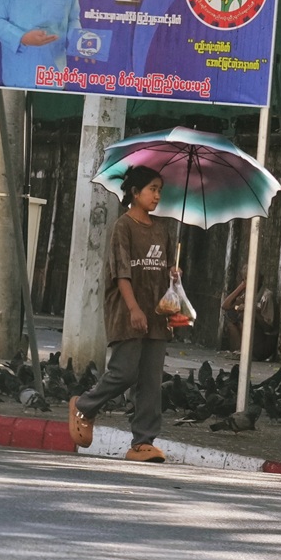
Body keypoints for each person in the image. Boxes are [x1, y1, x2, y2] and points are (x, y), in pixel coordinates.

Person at [67, 166, 177, 463]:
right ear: (135, 192)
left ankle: (142, 442)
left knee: (151, 382)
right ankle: (85, 405)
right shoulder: (123, 227)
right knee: (124, 372)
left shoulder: (163, 229)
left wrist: (175, 276)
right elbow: (121, 274)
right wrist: (133, 309)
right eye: (152, 189)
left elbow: (167, 274)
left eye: (159, 190)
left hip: (157, 315)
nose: (156, 196)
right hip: (127, 313)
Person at [221, 279, 278, 361]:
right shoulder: (249, 294)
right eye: (245, 280)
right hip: (253, 342)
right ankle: (239, 351)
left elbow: (268, 328)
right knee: (230, 315)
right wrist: (241, 287)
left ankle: (251, 354)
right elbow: (225, 306)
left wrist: (253, 310)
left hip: (264, 343)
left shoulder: (266, 296)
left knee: (246, 316)